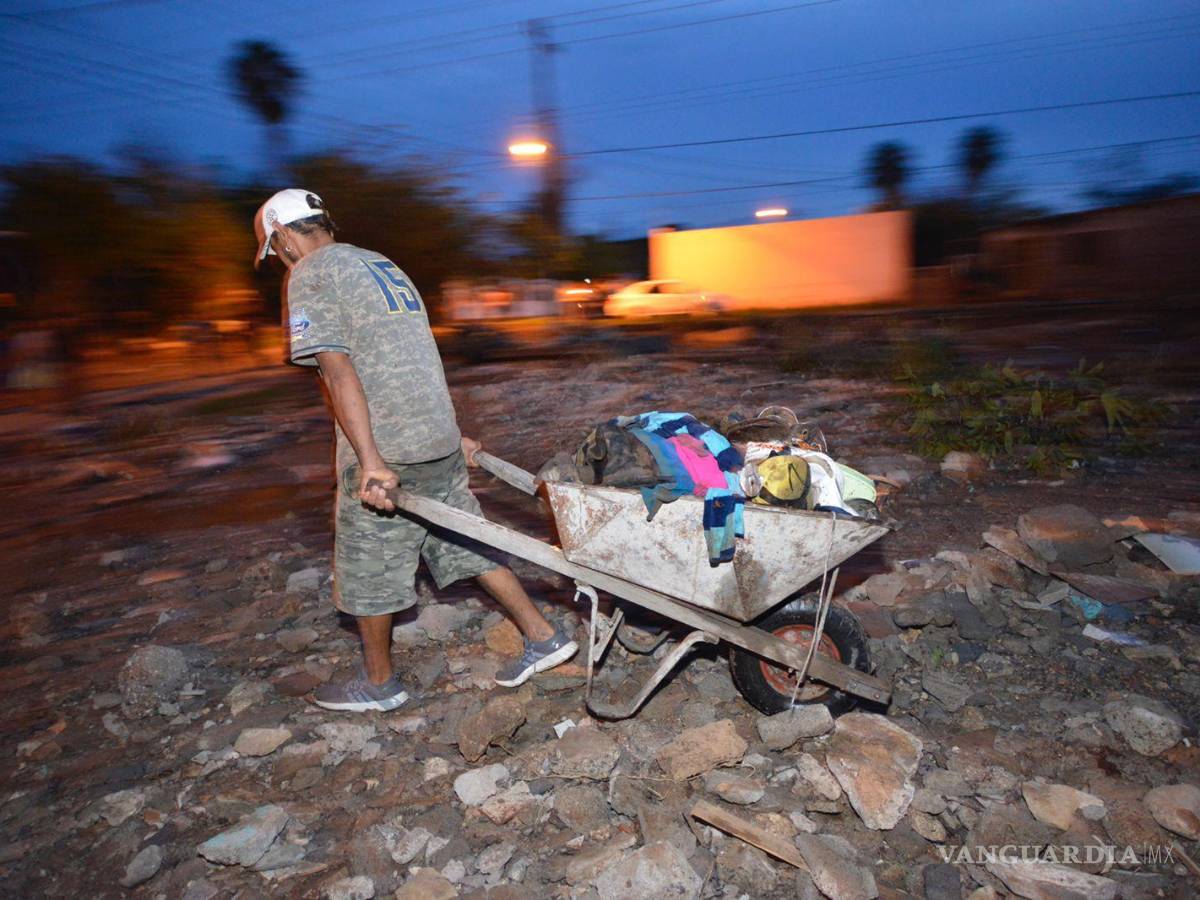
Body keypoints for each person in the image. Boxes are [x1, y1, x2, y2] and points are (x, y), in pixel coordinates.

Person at [252, 188, 577, 712]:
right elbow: (416, 355)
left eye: (274, 251)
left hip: (390, 448)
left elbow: (338, 373)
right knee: (465, 539)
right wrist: (453, 433)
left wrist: (371, 463)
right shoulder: (381, 264)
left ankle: (379, 684)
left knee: (367, 563)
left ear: (285, 236)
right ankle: (543, 635)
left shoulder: (310, 275)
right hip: (434, 441)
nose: (278, 262)